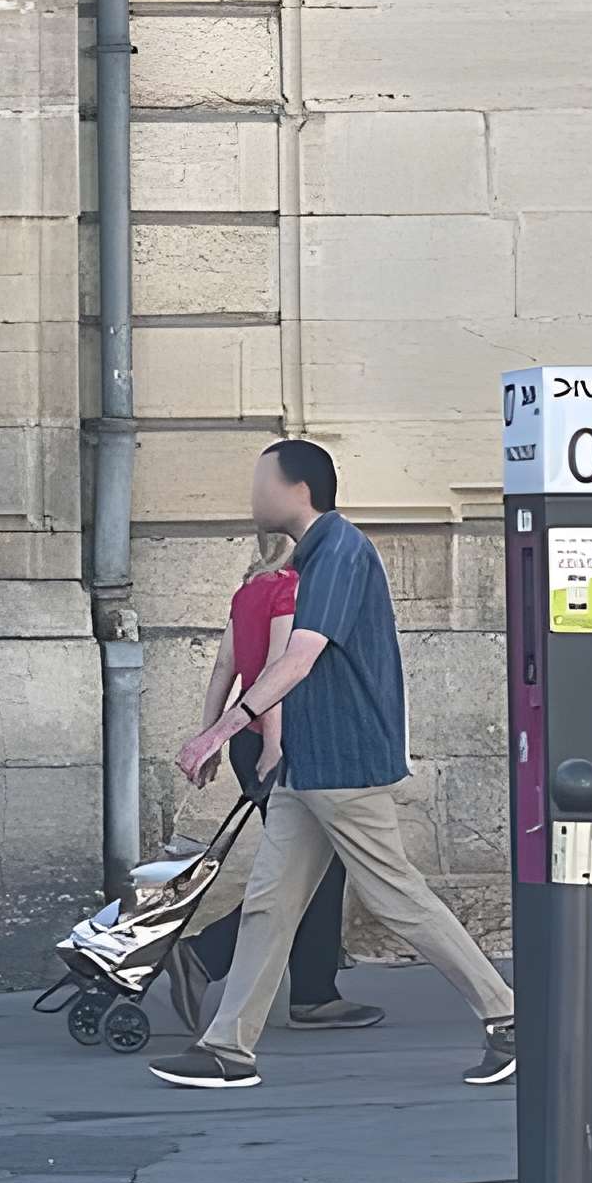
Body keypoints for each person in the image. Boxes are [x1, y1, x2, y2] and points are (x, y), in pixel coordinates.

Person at [151, 439, 516, 1092]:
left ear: (298, 490)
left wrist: (221, 732)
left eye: (262, 481)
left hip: (342, 761)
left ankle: (508, 1015)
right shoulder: (313, 557)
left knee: (395, 895)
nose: (253, 494)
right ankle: (228, 1048)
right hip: (307, 763)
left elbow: (298, 658)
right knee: (269, 903)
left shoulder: (341, 551)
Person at [164, 533, 382, 1038]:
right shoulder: (293, 589)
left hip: (252, 742)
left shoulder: (249, 591)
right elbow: (280, 671)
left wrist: (211, 737)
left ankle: (311, 990)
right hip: (285, 744)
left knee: (315, 867)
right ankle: (214, 959)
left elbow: (224, 668)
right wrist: (274, 743)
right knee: (308, 870)